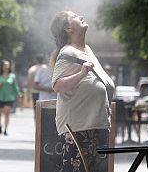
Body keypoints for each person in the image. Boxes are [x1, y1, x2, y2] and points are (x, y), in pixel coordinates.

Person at [49, 10, 115, 172]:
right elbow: (57, 85)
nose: (81, 17)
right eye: (75, 17)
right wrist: (81, 74)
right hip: (79, 128)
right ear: (68, 29)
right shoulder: (68, 52)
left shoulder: (87, 50)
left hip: (95, 125)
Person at [0, 59, 21, 136]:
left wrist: (18, 94)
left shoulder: (12, 76)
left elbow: (15, 86)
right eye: (5, 65)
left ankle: (5, 130)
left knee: (7, 114)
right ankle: (0, 125)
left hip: (9, 97)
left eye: (8, 65)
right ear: (2, 67)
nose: (6, 67)